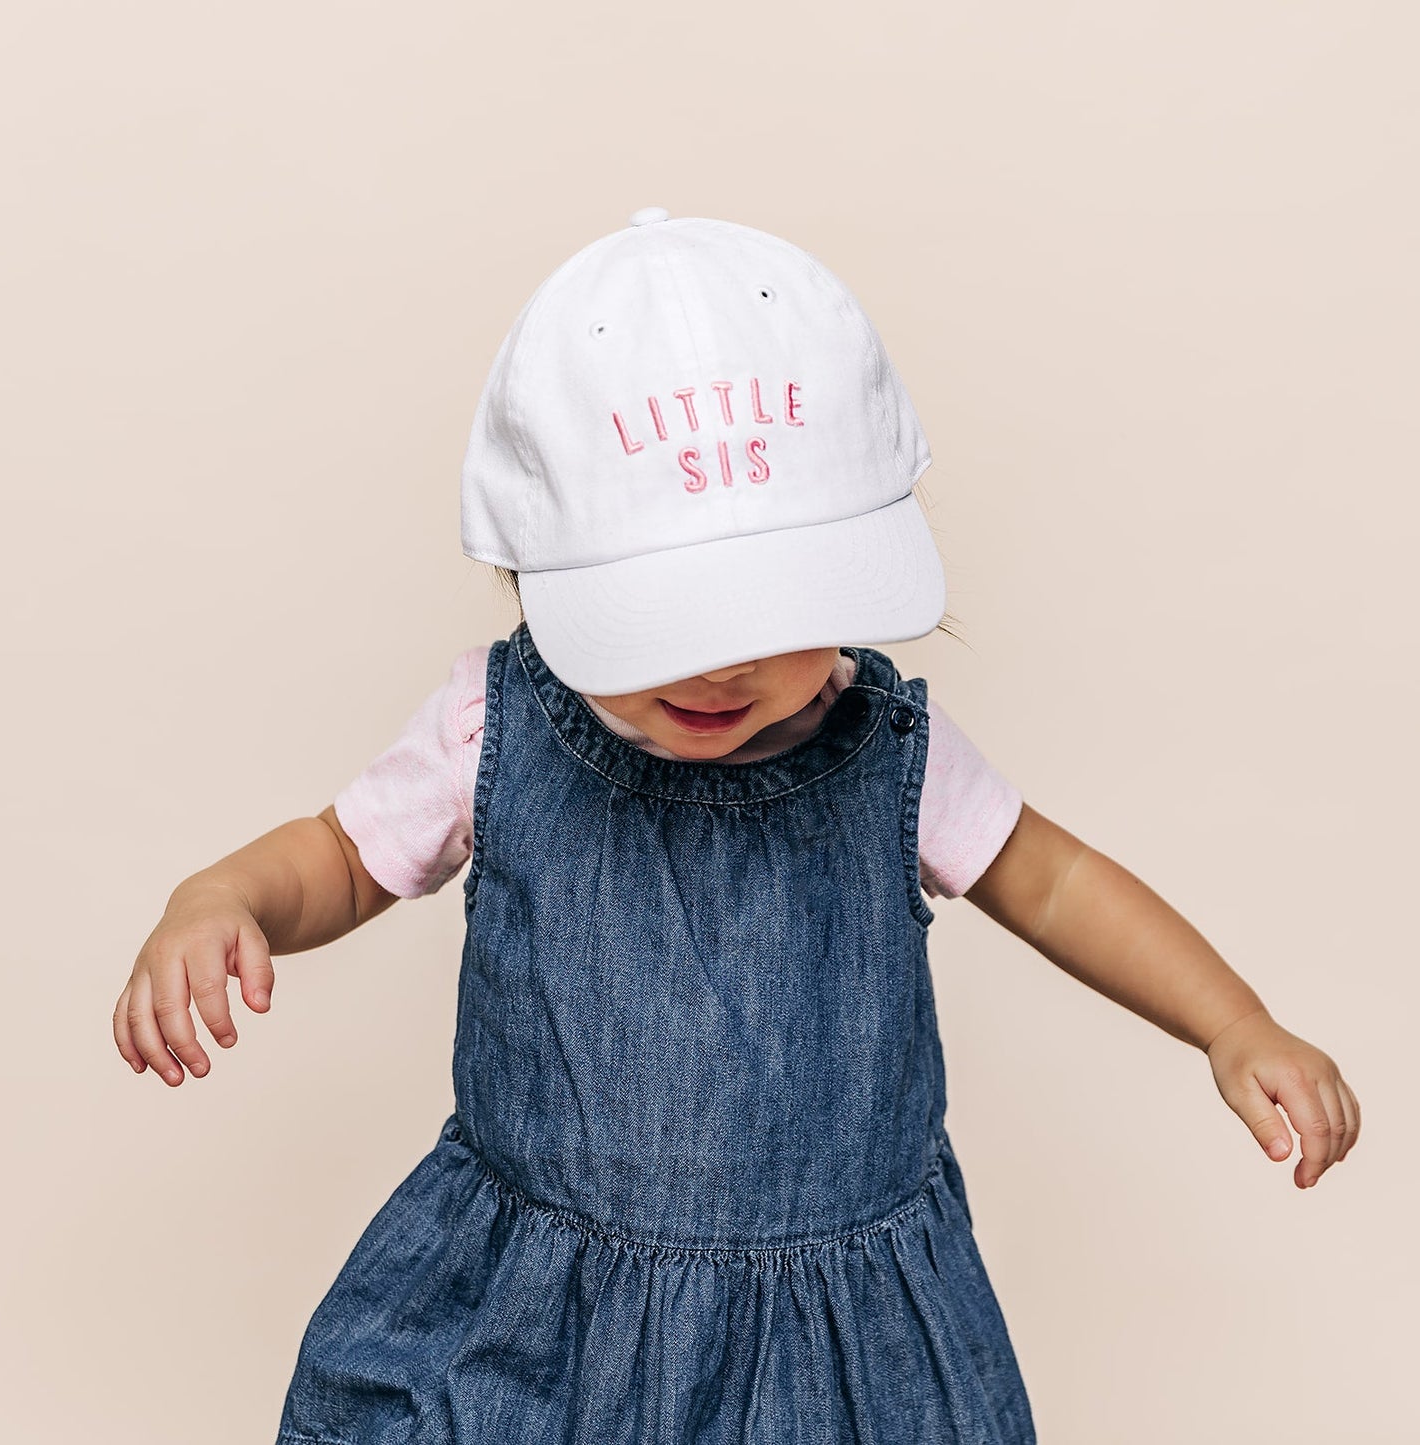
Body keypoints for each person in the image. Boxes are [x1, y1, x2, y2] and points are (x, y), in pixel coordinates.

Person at [113, 208, 1360, 1444]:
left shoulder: (889, 753)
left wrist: (1229, 1019)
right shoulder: (490, 729)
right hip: (540, 1332)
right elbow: (341, 855)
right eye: (667, 617)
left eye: (771, 607)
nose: (720, 666)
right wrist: (221, 896)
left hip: (833, 1346)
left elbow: (1053, 880)